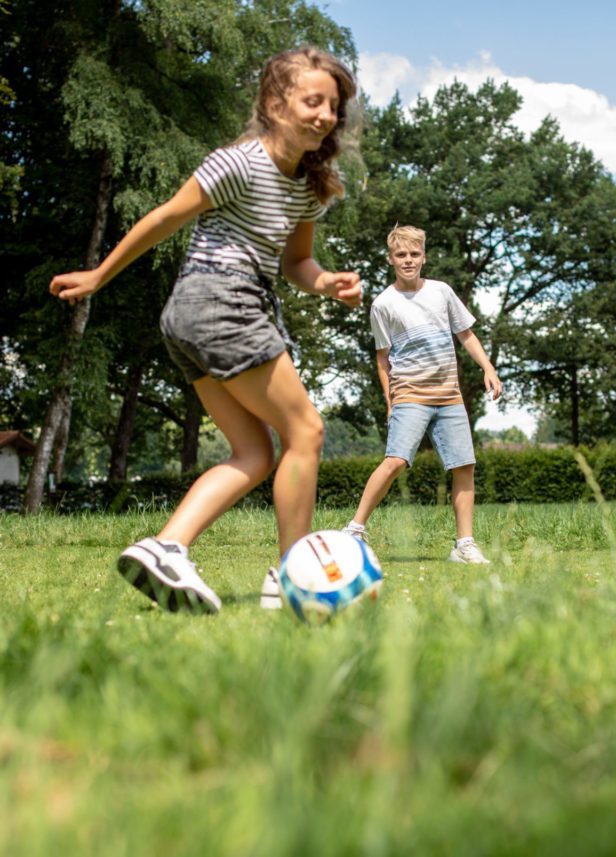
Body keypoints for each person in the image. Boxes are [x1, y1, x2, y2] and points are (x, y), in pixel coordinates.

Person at [49, 47, 364, 612]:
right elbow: (167, 216)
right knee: (307, 433)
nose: (324, 115)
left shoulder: (307, 188)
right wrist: (99, 275)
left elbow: (296, 263)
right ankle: (295, 574)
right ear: (275, 102)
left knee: (255, 452)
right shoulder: (239, 162)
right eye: (312, 101)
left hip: (197, 317)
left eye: (333, 106)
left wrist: (324, 284)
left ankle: (167, 547)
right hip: (221, 302)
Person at [341, 225, 502, 564]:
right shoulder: (383, 304)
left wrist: (488, 368)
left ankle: (464, 545)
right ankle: (354, 530)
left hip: (449, 394)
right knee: (396, 460)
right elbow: (382, 358)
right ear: (391, 259)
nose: (408, 260)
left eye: (414, 254)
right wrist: (390, 400)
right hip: (410, 394)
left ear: (424, 257)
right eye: (401, 255)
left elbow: (466, 334)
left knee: (464, 465)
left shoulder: (441, 292)